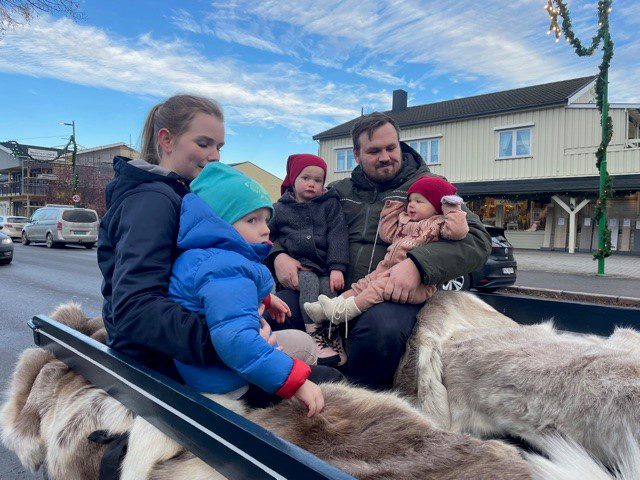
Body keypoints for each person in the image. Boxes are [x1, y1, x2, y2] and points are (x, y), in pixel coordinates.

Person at [266, 112, 492, 390]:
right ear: (357, 155)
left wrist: (417, 264)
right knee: (277, 310)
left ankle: (361, 404)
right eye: (374, 151)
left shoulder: (430, 187)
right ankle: (294, 392)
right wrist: (278, 255)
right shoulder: (337, 191)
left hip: (390, 294)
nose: (385, 156)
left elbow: (478, 241)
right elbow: (286, 222)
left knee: (381, 329)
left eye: (391, 147)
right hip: (330, 284)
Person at [169, 162, 343, 416]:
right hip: (228, 384)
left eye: (266, 219)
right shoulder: (224, 266)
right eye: (253, 219)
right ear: (222, 223)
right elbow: (237, 339)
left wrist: (265, 298)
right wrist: (294, 382)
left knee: (302, 346)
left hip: (214, 369)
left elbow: (217, 302)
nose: (265, 229)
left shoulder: (209, 258)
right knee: (332, 379)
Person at [98, 95, 226, 380]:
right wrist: (224, 340)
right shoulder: (154, 199)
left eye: (219, 147)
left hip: (175, 352)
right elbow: (134, 307)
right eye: (204, 144)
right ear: (167, 141)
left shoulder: (177, 193)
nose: (215, 155)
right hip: (159, 363)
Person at [304, 176, 468, 326]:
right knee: (362, 285)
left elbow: (458, 232)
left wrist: (452, 208)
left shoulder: (439, 224)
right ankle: (328, 308)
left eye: (419, 201)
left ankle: (342, 312)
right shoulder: (406, 220)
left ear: (436, 206)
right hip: (386, 268)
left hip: (415, 283)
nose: (411, 204)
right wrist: (392, 210)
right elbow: (387, 234)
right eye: (410, 200)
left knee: (375, 289)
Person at [269, 153, 349, 366]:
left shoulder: (329, 205)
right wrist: (277, 256)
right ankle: (314, 334)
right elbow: (268, 235)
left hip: (324, 265)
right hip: (300, 265)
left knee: (329, 289)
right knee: (310, 284)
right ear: (293, 179)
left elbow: (337, 235)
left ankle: (331, 335)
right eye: (305, 178)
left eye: (318, 180)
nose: (312, 184)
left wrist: (337, 267)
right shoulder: (279, 209)